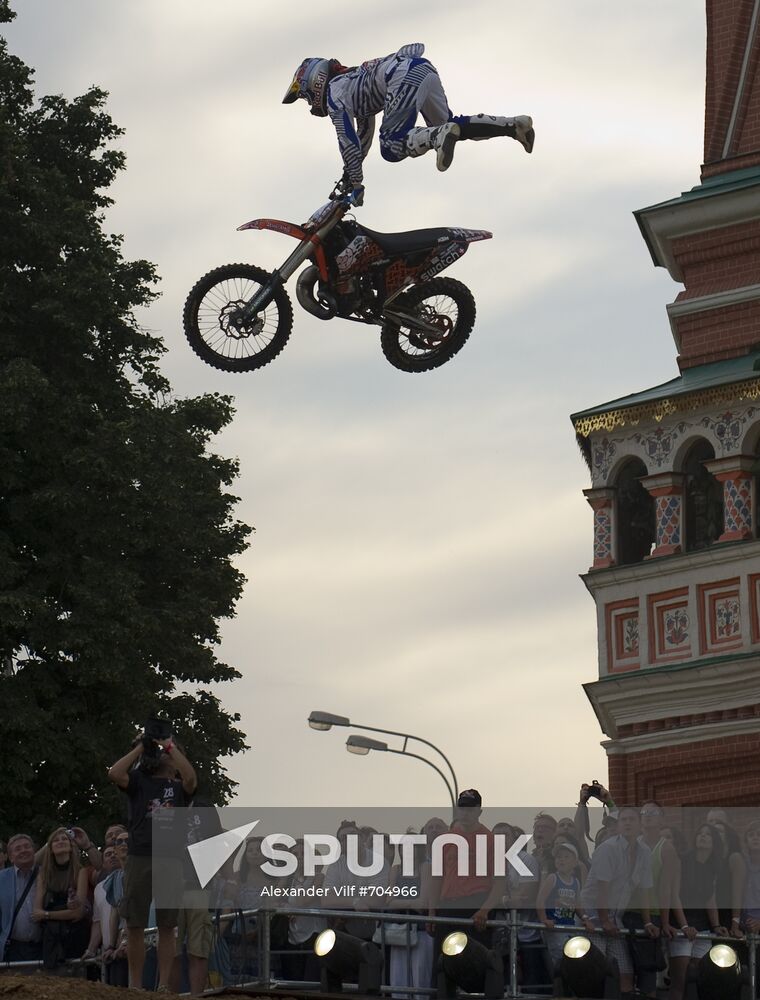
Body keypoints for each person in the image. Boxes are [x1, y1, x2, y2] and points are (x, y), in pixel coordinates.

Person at [282, 45, 534, 204]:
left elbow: (346, 140)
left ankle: (437, 136)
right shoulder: (350, 83)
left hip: (399, 77)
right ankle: (514, 126)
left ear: (314, 82)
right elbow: (362, 134)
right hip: (421, 68)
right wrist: (351, 176)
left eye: (305, 96)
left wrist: (357, 184)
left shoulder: (334, 93)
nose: (309, 103)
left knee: (391, 146)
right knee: (452, 125)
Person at [107, 726, 197, 991]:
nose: (164, 753)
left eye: (169, 751)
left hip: (170, 857)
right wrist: (140, 747)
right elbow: (114, 773)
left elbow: (192, 778)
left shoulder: (179, 786)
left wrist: (170, 746)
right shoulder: (138, 781)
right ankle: (135, 985)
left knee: (167, 924)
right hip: (140, 855)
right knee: (134, 922)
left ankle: (164, 985)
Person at [579, 805, 659, 997]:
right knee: (595, 972)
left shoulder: (645, 851)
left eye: (632, 819)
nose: (627, 823)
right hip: (593, 917)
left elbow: (644, 890)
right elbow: (602, 888)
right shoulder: (608, 849)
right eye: (623, 820)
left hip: (615, 919)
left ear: (640, 824)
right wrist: (604, 920)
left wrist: (648, 922)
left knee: (625, 974)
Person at [31, 827, 91, 971]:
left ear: (71, 847)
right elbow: (36, 913)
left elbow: (78, 913)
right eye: (56, 840)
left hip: (75, 934)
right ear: (50, 849)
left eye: (64, 839)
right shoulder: (44, 874)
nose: (60, 842)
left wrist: (48, 915)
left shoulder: (80, 871)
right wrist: (64, 913)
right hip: (51, 938)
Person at [0, 833, 41, 963]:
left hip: (44, 946)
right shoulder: (1, 879)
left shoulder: (46, 874)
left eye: (26, 846)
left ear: (33, 850)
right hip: (13, 949)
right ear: (11, 858)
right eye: (17, 849)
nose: (23, 850)